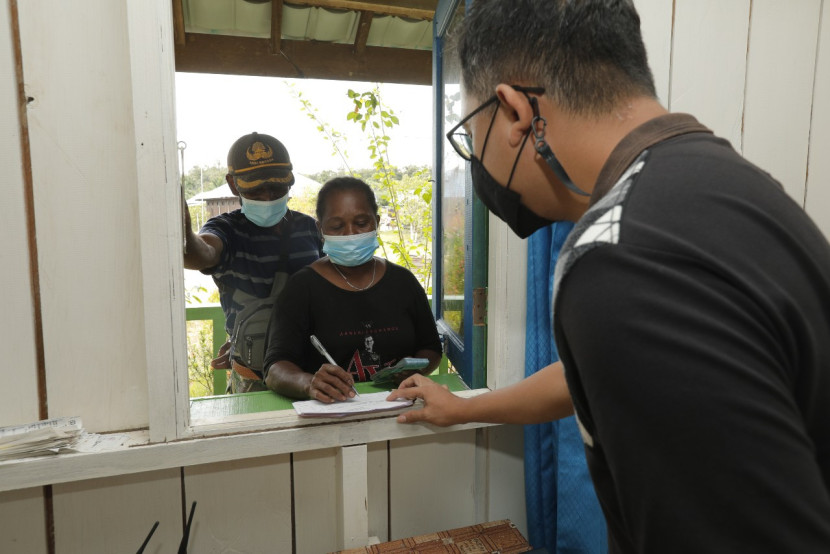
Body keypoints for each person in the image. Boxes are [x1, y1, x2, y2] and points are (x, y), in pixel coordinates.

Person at [387, 1, 830, 552]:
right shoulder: (728, 185)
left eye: (470, 137)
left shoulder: (621, 258)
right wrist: (465, 408)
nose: (477, 165)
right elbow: (601, 374)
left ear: (514, 111)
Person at [263, 177, 443, 402]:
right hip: (331, 416)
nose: (350, 234)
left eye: (361, 223)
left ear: (376, 222)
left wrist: (416, 370)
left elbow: (431, 348)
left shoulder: (403, 281)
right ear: (320, 229)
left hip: (398, 410)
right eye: (337, 226)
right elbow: (274, 369)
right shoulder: (301, 288)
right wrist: (309, 383)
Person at [184, 132, 323, 392]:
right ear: (233, 184)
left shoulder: (311, 229)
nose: (268, 196)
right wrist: (183, 232)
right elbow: (202, 252)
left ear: (290, 179)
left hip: (310, 373)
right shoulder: (226, 230)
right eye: (256, 188)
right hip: (252, 379)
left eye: (277, 186)